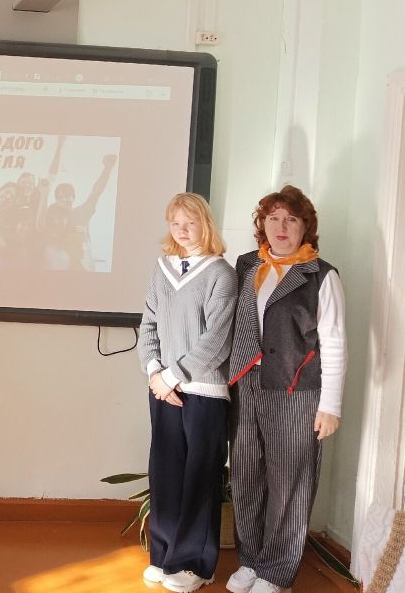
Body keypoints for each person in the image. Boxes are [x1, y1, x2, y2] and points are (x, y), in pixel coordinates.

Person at [226, 186, 346, 593]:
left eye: (291, 219)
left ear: (304, 228)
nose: (281, 227)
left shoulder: (321, 275)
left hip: (297, 391)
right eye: (273, 218)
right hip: (247, 386)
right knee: (245, 476)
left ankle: (276, 573)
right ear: (262, 224)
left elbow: (334, 342)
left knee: (289, 483)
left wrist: (330, 406)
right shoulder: (246, 265)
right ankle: (251, 560)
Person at [136, 193, 237, 593]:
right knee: (166, 474)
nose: (181, 229)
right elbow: (148, 325)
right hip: (162, 388)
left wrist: (174, 376)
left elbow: (218, 339)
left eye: (189, 222)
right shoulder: (161, 269)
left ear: (204, 225)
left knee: (199, 478)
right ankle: (164, 557)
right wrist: (154, 373)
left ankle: (196, 565)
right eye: (175, 222)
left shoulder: (221, 273)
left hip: (204, 391)